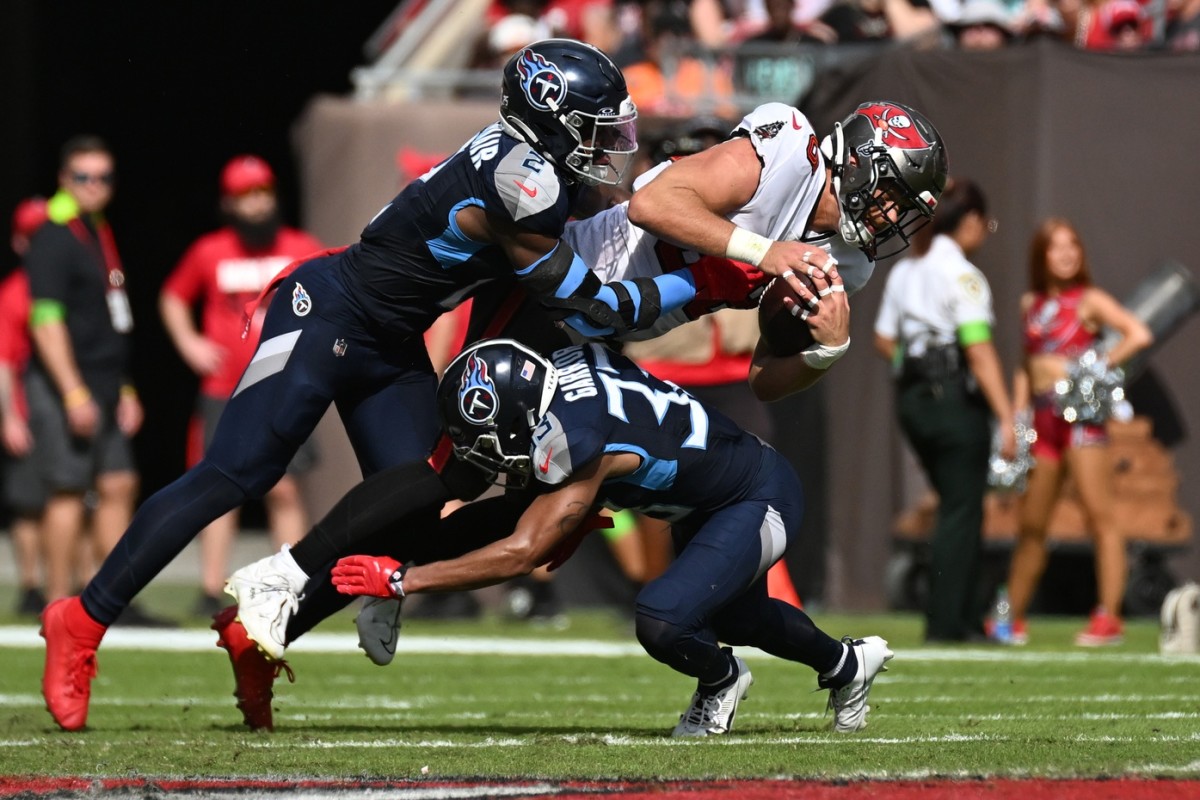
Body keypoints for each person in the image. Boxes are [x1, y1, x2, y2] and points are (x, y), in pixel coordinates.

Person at [40, 38, 819, 733]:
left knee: (417, 505)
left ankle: (258, 633)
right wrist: (717, 275)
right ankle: (83, 616)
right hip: (329, 311)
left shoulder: (540, 166)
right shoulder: (527, 187)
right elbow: (599, 302)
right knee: (238, 471)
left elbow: (614, 231)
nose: (612, 143)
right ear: (549, 123)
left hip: (387, 339)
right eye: (596, 127)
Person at [215, 98, 947, 732]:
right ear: (857, 163)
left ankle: (373, 582)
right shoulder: (786, 149)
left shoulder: (849, 261)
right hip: (562, 287)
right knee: (454, 471)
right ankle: (285, 581)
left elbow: (764, 379)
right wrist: (764, 248)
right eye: (892, 195)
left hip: (615, 324)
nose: (890, 218)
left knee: (528, 510)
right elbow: (655, 205)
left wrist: (825, 352)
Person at [332, 338, 895, 737]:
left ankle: (722, 678)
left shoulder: (573, 441)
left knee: (663, 618)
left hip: (755, 494)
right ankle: (847, 664)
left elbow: (523, 551)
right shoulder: (565, 370)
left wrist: (402, 581)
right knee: (737, 619)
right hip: (708, 496)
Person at [159, 155, 325, 616]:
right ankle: (211, 589)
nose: (256, 205)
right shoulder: (209, 251)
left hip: (283, 387)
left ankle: (292, 583)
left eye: (262, 193)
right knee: (218, 488)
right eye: (245, 196)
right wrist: (189, 342)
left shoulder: (301, 245)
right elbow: (173, 297)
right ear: (229, 204)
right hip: (224, 389)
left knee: (285, 488)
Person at [872, 178, 1014, 643]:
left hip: (912, 401)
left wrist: (913, 367)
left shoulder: (906, 271)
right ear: (969, 220)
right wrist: (1008, 416)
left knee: (954, 505)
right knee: (961, 510)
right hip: (953, 399)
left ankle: (960, 614)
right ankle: (949, 622)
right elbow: (978, 349)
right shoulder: (962, 275)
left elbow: (883, 339)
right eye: (985, 223)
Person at [999, 217, 1152, 646]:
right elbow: (1026, 365)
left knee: (1100, 517)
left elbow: (1138, 333)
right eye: (1055, 247)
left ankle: (1109, 617)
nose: (1066, 254)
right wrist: (1016, 414)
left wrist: (1094, 369)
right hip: (1043, 423)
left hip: (1081, 421)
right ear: (1041, 255)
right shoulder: (1029, 302)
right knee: (1032, 523)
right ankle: (1010, 617)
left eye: (1073, 246)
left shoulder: (1091, 299)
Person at [24, 136, 154, 622]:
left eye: (103, 177)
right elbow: (46, 322)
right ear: (63, 179)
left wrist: (124, 387)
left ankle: (110, 599)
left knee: (120, 484)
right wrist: (73, 392)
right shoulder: (54, 234)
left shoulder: (95, 229)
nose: (94, 186)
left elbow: (108, 322)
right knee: (67, 490)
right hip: (68, 386)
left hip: (105, 383)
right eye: (83, 177)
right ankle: (58, 602)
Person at [1, 197, 49, 616]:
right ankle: (31, 584)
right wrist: (10, 416)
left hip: (68, 410)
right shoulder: (14, 293)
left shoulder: (73, 284)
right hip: (28, 411)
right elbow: (3, 361)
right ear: (20, 242)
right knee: (30, 502)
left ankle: (71, 580)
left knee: (74, 497)